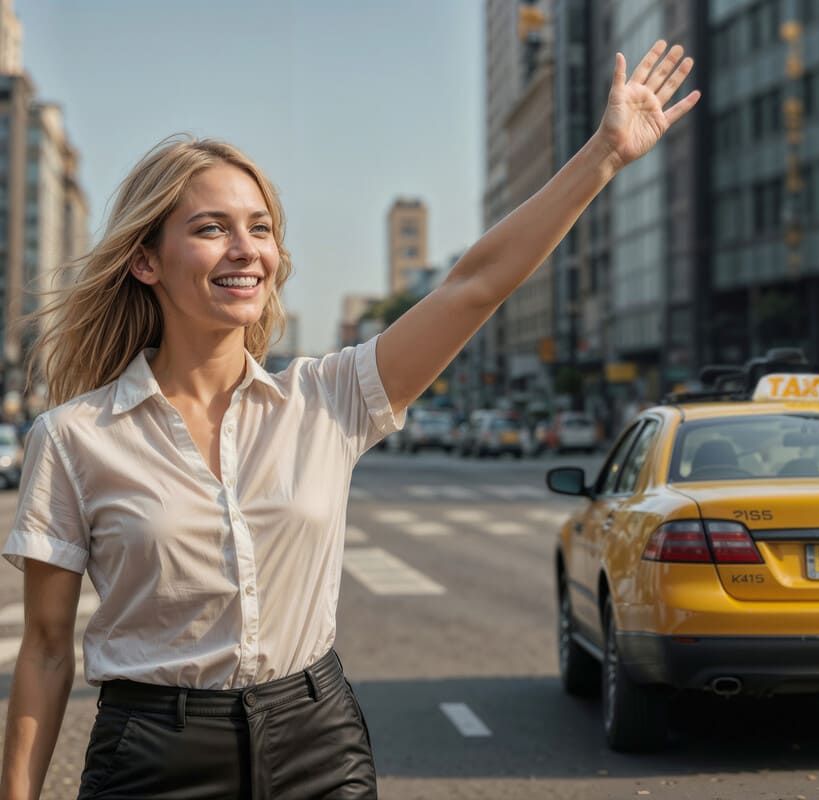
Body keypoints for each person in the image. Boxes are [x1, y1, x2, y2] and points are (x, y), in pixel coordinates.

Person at [0, 41, 700, 800]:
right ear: (146, 261)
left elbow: (475, 284)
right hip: (151, 759)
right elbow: (42, 650)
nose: (247, 251)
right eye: (211, 229)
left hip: (314, 744)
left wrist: (602, 154)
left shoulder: (328, 398)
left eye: (260, 228)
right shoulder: (74, 438)